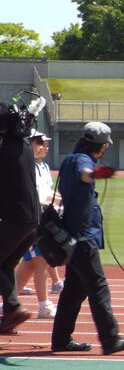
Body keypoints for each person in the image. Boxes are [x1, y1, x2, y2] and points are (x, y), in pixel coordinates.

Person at [50, 121, 124, 354]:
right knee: (98, 288)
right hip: (83, 237)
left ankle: (60, 339)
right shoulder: (82, 160)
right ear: (99, 145)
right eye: (105, 145)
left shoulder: (69, 158)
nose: (106, 148)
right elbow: (85, 174)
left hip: (72, 236)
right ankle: (110, 339)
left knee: (74, 291)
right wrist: (98, 173)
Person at [0, 101, 39, 334]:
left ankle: (14, 308)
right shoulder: (24, 143)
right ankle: (9, 317)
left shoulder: (3, 146)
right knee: (5, 264)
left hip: (14, 218)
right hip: (33, 221)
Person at [14, 130, 61, 319]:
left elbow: (47, 192)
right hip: (32, 218)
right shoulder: (26, 166)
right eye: (39, 143)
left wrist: (60, 200)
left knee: (29, 264)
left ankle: (9, 303)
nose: (44, 147)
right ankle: (44, 305)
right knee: (40, 260)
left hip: (42, 217)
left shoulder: (43, 167)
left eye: (45, 143)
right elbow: (32, 195)